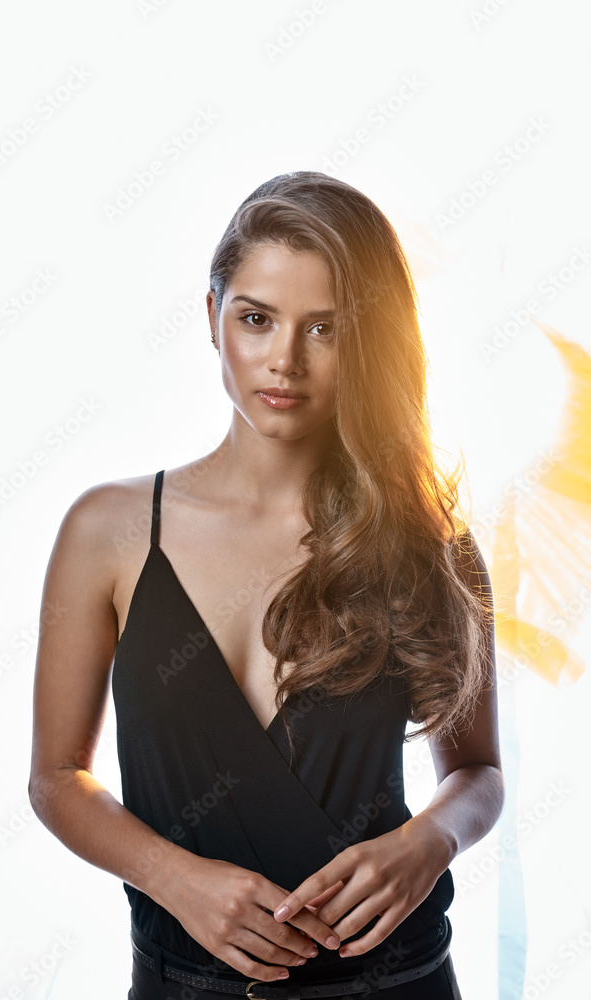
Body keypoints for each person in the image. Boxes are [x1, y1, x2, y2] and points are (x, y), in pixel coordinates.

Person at [28, 171, 503, 1000]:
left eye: (324, 328)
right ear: (212, 319)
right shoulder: (106, 531)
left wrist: (429, 842)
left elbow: (477, 774)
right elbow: (55, 778)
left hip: (399, 981)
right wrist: (172, 878)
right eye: (256, 318)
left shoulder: (429, 544)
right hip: (180, 981)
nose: (284, 359)